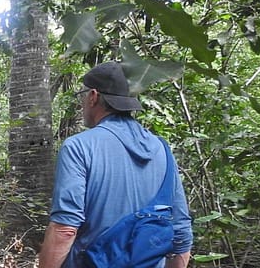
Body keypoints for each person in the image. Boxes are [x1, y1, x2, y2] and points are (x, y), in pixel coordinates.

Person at [38, 61, 193, 268]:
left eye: (84, 95)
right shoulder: (162, 149)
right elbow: (181, 231)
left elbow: (65, 229)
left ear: (93, 96)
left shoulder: (78, 147)